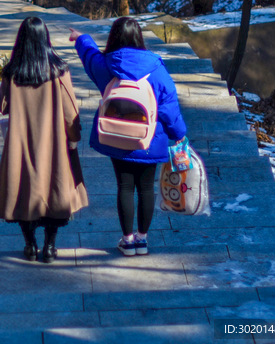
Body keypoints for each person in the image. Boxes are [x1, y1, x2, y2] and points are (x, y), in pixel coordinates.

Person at [69, 17, 187, 257]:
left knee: (124, 186)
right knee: (145, 188)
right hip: (150, 139)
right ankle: (142, 240)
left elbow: (89, 56)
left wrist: (80, 38)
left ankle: (127, 240)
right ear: (139, 37)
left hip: (116, 136)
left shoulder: (105, 65)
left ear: (113, 37)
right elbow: (168, 106)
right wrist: (179, 134)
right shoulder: (156, 68)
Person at [0, 16, 88, 263]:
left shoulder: (12, 72)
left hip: (21, 144)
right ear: (45, 39)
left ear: (21, 40)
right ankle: (50, 246)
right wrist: (74, 138)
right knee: (55, 191)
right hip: (54, 145)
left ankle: (29, 245)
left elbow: (2, 106)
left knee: (22, 190)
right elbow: (70, 112)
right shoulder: (59, 71)